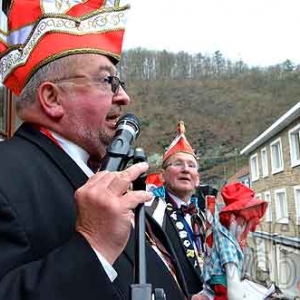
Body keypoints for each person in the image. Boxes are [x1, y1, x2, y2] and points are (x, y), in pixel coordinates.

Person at [0, 1, 203, 300]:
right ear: (52, 98)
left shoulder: (105, 172)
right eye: (108, 81)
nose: (124, 96)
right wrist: (92, 246)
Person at [146, 121, 213, 297]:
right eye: (177, 164)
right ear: (162, 176)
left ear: (197, 178)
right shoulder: (149, 213)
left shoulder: (205, 216)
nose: (185, 169)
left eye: (192, 165)